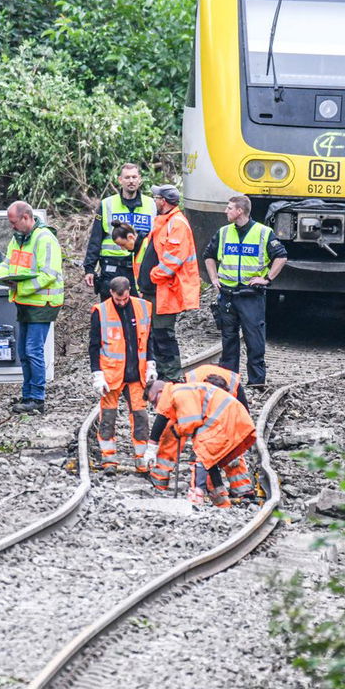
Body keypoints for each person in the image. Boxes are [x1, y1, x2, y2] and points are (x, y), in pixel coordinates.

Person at [0, 201, 64, 414]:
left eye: (14, 222)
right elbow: (8, 263)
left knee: (33, 350)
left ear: (26, 218)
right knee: (23, 351)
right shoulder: (18, 238)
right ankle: (28, 395)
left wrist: (20, 286)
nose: (12, 227)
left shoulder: (44, 239)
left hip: (41, 303)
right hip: (25, 303)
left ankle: (37, 397)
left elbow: (48, 274)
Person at [203, 194, 287, 387]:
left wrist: (267, 279)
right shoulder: (224, 232)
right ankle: (228, 381)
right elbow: (208, 255)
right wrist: (214, 278)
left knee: (254, 341)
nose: (226, 211)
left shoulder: (263, 232)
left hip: (251, 296)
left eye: (229, 208)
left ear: (240, 211)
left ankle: (256, 382)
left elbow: (281, 256)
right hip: (228, 295)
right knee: (228, 341)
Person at [141, 378, 257, 506]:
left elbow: (191, 421)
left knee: (200, 457)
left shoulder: (178, 393)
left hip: (223, 420)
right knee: (208, 461)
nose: (156, 406)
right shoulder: (181, 392)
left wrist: (177, 430)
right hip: (228, 419)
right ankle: (222, 503)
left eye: (154, 401)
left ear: (160, 392)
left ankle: (196, 496)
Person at [87, 276, 153, 473]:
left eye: (124, 299)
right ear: (111, 294)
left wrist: (151, 364)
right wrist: (97, 373)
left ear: (129, 291)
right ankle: (109, 459)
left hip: (137, 374)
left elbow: (150, 339)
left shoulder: (144, 308)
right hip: (111, 376)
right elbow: (94, 345)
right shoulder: (101, 312)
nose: (122, 303)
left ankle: (142, 459)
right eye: (118, 300)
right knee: (108, 417)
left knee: (141, 417)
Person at [144, 184, 199, 382]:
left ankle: (173, 377)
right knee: (155, 334)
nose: (154, 201)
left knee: (163, 334)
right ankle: (163, 374)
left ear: (163, 201)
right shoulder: (164, 220)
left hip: (165, 288)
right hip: (157, 289)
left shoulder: (176, 223)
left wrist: (153, 275)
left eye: (156, 198)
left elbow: (174, 258)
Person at [82, 163, 157, 300]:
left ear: (139, 179)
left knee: (140, 312)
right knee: (111, 311)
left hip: (141, 267)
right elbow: (96, 238)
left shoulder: (151, 204)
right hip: (112, 266)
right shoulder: (107, 204)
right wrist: (90, 268)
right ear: (120, 180)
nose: (131, 181)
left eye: (134, 177)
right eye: (127, 177)